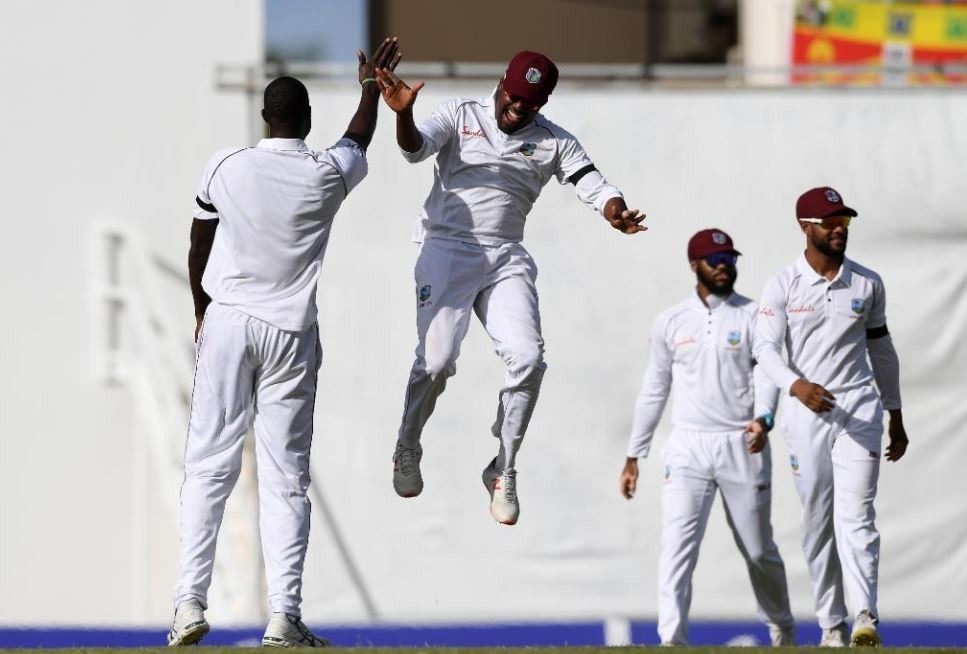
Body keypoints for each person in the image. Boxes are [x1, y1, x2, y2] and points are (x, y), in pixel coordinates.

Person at [167, 38, 401, 648]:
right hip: (289, 334)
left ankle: (188, 604)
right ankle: (283, 616)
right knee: (285, 475)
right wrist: (371, 88)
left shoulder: (227, 165)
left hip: (227, 322)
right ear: (305, 121)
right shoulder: (325, 171)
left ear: (265, 119)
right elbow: (359, 139)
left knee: (206, 464)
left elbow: (198, 244)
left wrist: (200, 309)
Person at [374, 51, 646, 525]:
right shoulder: (462, 115)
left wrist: (615, 211)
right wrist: (404, 115)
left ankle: (503, 468)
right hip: (447, 247)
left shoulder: (553, 141)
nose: (518, 108)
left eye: (531, 103)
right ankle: (407, 444)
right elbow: (416, 149)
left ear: (543, 103)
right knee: (436, 362)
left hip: (505, 255)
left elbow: (594, 184)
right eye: (514, 97)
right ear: (501, 84)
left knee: (528, 358)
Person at [619, 229, 796, 647]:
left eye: (729, 258)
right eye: (714, 259)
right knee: (677, 548)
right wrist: (634, 455)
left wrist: (763, 418)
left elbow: (767, 370)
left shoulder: (756, 316)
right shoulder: (670, 321)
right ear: (694, 265)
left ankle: (782, 630)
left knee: (758, 551)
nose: (723, 265)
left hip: (742, 442)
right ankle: (672, 640)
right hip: (689, 447)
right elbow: (654, 388)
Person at [753, 186, 909, 648]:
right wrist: (796, 387)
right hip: (806, 416)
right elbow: (764, 348)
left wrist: (895, 412)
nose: (839, 229)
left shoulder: (867, 283)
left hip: (859, 409)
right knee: (818, 520)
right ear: (806, 227)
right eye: (829, 222)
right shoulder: (783, 284)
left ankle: (865, 616)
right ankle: (831, 624)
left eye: (844, 221)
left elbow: (882, 350)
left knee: (857, 515)